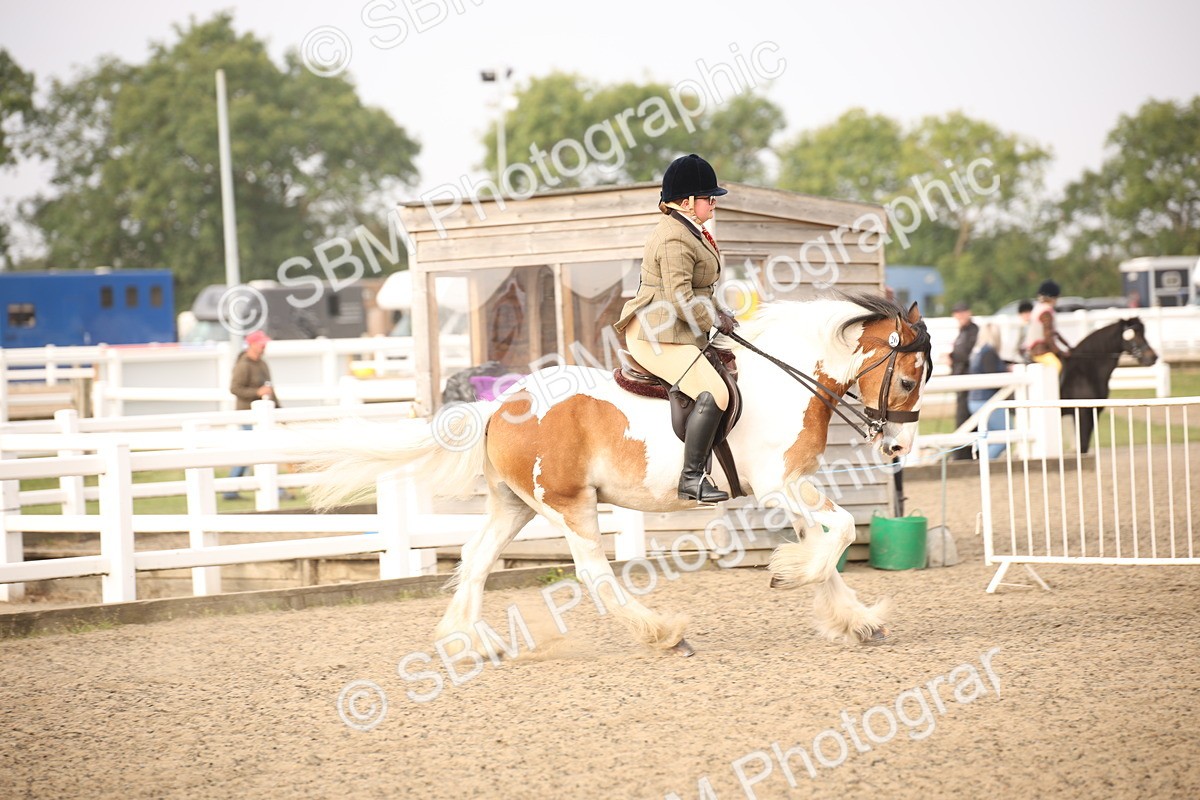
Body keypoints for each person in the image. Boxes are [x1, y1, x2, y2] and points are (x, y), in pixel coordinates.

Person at [612, 153, 737, 503]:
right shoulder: (673, 238)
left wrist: (721, 310)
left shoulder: (691, 231)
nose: (713, 204)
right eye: (708, 198)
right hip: (655, 335)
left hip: (677, 328)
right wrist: (713, 320)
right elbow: (681, 295)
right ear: (686, 202)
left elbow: (700, 289)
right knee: (716, 393)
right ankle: (692, 477)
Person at [225, 330, 281, 500]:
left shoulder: (261, 363)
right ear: (252, 344)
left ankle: (231, 489)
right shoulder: (244, 365)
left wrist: (278, 409)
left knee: (251, 452)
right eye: (261, 343)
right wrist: (257, 391)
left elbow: (270, 389)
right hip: (248, 414)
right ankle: (232, 488)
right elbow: (235, 389)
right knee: (250, 452)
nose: (264, 346)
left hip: (263, 416)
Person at [967, 324, 1010, 459]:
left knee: (988, 436)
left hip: (975, 400)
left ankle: (982, 461)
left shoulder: (977, 352)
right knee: (1006, 435)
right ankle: (985, 463)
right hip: (986, 399)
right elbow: (993, 375)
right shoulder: (989, 352)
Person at [949, 301, 978, 458]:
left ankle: (963, 454)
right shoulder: (963, 331)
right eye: (957, 312)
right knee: (962, 417)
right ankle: (961, 453)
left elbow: (967, 355)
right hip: (960, 379)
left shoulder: (973, 331)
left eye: (962, 312)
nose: (959, 315)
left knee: (965, 418)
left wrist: (952, 357)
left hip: (968, 380)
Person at [1023, 280, 1071, 372]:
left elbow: (1055, 333)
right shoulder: (1046, 313)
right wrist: (1060, 352)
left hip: (1039, 350)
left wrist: (1068, 346)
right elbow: (1048, 337)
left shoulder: (1039, 308)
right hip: (1040, 351)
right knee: (1057, 366)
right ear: (1052, 297)